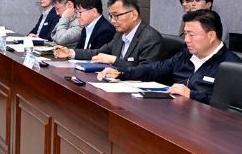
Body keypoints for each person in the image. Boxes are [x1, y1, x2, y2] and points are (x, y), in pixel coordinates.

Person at [99, 10, 241, 104]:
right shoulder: (185, 55)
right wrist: (121, 72)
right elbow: (154, 69)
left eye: (191, 35)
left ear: (211, 36)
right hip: (176, 114)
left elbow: (228, 106)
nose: (186, 40)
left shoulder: (231, 66)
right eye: (185, 34)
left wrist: (191, 94)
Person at [54, 0, 163, 67]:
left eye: (116, 15)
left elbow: (146, 71)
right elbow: (99, 52)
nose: (112, 21)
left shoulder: (150, 38)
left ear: (133, 15)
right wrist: (70, 52)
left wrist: (114, 60)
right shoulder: (120, 35)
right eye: (111, 16)